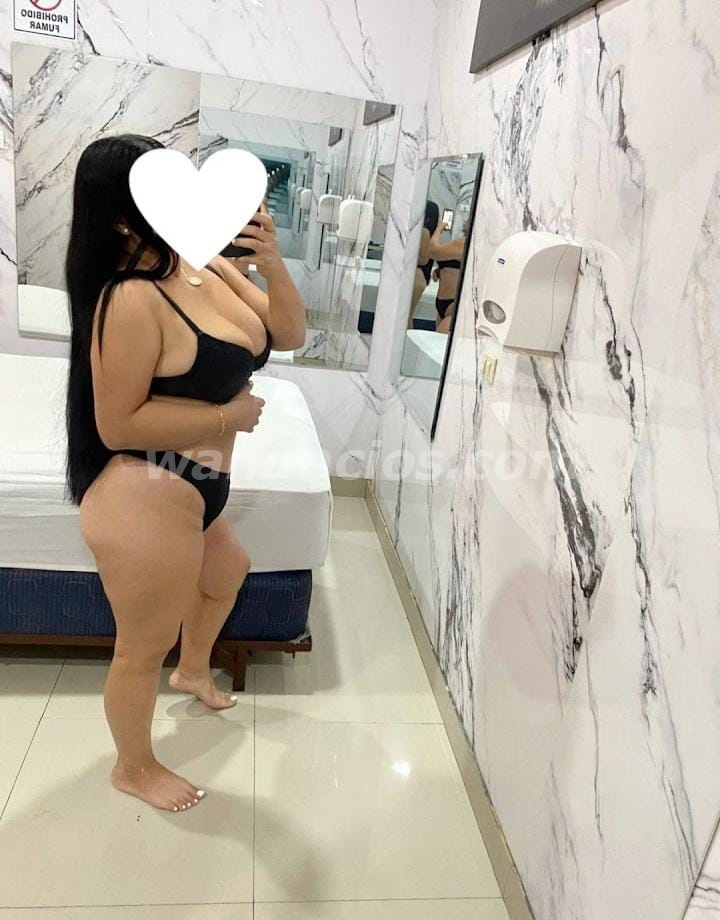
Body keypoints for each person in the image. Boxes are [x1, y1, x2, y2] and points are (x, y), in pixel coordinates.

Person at [65, 134, 306, 813]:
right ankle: (133, 767)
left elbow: (288, 335)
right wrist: (228, 416)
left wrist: (272, 264)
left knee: (227, 571)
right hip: (147, 490)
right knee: (142, 647)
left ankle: (193, 671)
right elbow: (118, 425)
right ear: (124, 217)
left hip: (199, 490)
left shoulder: (203, 264)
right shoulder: (128, 299)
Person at [429, 217, 468, 333]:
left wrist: (438, 229)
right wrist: (441, 270)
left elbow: (433, 251)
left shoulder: (465, 243)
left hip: (453, 304)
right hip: (444, 302)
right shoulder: (463, 243)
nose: (465, 220)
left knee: (438, 342)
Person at [407, 200, 440, 328]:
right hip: (420, 276)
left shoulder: (424, 231)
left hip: (417, 276)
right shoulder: (428, 232)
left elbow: (423, 259)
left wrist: (406, 256)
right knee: (407, 316)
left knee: (405, 317)